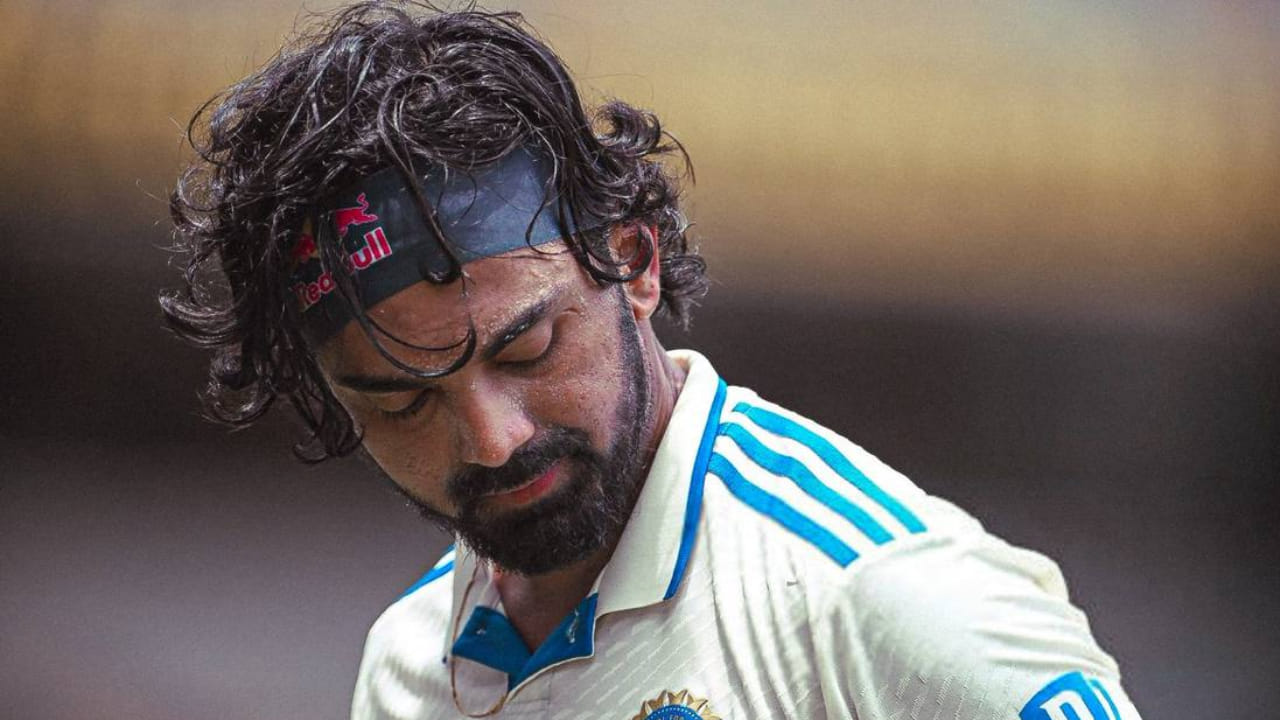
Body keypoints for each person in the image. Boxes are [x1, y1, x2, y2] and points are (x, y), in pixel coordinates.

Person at [162, 3, 1144, 719]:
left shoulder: (879, 597)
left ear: (631, 262)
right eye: (402, 406)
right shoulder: (407, 670)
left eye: (528, 346)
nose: (493, 441)